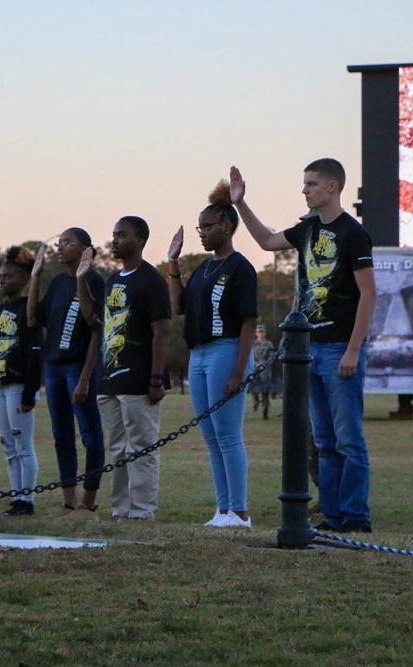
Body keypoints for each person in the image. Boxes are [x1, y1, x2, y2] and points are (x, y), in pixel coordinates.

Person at [230, 160, 377, 534]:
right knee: (324, 441)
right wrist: (240, 204)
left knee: (348, 439)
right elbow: (267, 241)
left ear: (332, 186)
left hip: (338, 347)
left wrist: (353, 350)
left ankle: (356, 517)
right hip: (309, 348)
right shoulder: (308, 228)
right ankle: (333, 515)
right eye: (304, 184)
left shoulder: (353, 233)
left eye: (311, 184)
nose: (305, 190)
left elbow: (369, 294)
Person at [168, 179, 258, 528]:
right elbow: (179, 306)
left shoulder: (241, 267)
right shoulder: (204, 268)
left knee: (228, 434)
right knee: (210, 437)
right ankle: (223, 510)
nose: (202, 233)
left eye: (207, 227)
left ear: (226, 226)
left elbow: (248, 323)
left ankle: (239, 511)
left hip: (227, 350)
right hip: (200, 354)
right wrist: (174, 262)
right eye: (198, 228)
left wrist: (239, 371)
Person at [77, 216, 171, 521]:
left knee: (142, 447)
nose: (115, 240)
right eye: (113, 234)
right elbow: (94, 319)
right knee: (118, 449)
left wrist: (156, 379)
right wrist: (81, 279)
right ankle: (121, 508)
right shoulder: (113, 280)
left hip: (139, 380)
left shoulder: (152, 280)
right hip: (110, 380)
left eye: (122, 235)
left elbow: (161, 333)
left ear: (140, 241)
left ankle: (142, 511)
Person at [27, 228, 106, 520]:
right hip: (54, 367)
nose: (60, 247)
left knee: (90, 434)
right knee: (62, 435)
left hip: (78, 366)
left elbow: (97, 330)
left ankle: (89, 504)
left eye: (68, 243)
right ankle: (69, 503)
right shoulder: (59, 282)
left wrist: (86, 376)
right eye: (59, 242)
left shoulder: (94, 281)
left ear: (86, 249)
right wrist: (35, 277)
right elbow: (33, 317)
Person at [0, 246, 42, 516]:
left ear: (24, 280)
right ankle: (16, 498)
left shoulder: (28, 312)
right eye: (0, 276)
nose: (2, 280)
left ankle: (27, 501)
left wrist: (30, 392)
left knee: (23, 443)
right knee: (8, 446)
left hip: (18, 386)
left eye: (8, 277)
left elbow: (34, 354)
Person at [249, 325, 275, 419]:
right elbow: (250, 356)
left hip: (265, 367)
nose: (261, 333)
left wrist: (265, 364)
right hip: (254, 367)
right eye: (259, 331)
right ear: (256, 333)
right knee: (253, 387)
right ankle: (255, 401)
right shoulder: (253, 344)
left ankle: (265, 408)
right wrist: (256, 364)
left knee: (265, 389)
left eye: (262, 331)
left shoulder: (269, 344)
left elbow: (272, 356)